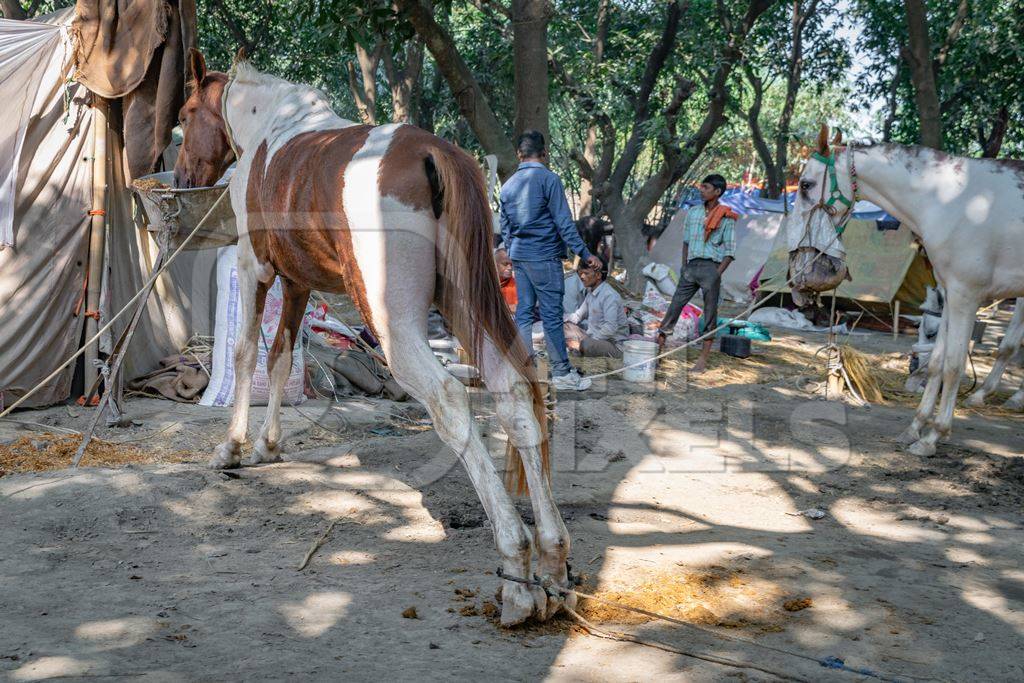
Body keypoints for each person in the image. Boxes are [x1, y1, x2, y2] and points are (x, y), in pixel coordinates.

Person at [499, 130, 601, 391]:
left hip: (520, 257)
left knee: (523, 313)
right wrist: (585, 253)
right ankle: (562, 374)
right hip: (544, 257)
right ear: (544, 154)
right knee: (551, 316)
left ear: (518, 155)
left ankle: (524, 370)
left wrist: (512, 249)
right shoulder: (549, 180)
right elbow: (564, 224)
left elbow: (505, 226)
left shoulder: (509, 185)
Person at [657, 173, 737, 374]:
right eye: (701, 187)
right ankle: (658, 350)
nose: (701, 190)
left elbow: (730, 251)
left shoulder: (727, 217)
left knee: (710, 313)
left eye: (706, 187)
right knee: (675, 305)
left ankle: (702, 359)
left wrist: (717, 274)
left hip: (712, 268)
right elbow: (685, 242)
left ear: (717, 192)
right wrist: (684, 266)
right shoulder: (692, 213)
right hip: (691, 267)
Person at [564, 257, 628, 358]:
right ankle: (579, 347)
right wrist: (560, 320)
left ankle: (580, 348)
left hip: (613, 345)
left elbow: (610, 328)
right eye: (581, 273)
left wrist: (587, 341)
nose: (582, 277)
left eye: (586, 273)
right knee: (563, 327)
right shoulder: (591, 293)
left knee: (586, 345)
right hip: (593, 338)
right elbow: (577, 316)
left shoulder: (609, 295)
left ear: (598, 275)